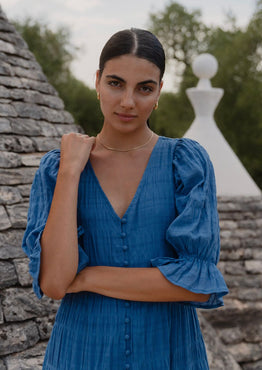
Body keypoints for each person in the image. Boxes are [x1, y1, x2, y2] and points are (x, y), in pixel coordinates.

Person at [22, 28, 228, 369]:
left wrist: (86, 278)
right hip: (80, 353)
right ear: (98, 81)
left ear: (159, 91)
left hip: (168, 353)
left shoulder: (186, 163)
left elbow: (197, 284)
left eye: (144, 88)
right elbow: (56, 282)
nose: (128, 102)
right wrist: (71, 172)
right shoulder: (58, 168)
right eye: (116, 83)